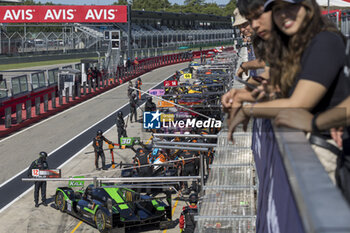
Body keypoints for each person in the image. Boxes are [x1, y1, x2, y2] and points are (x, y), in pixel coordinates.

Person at [228, 0, 350, 182]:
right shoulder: (298, 45)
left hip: (328, 151)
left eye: (290, 6)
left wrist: (248, 110)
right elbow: (281, 87)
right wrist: (246, 95)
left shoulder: (323, 40)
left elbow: (298, 104)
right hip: (319, 147)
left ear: (307, 6)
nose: (284, 14)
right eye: (277, 10)